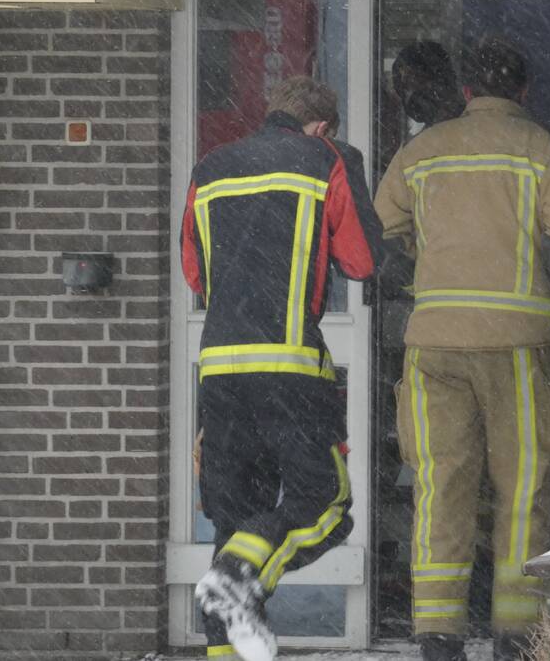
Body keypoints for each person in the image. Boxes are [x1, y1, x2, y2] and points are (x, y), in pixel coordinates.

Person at [373, 36, 550, 661]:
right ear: (523, 91)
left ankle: (437, 636)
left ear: (467, 91)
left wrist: (432, 267)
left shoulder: (421, 152)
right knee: (523, 488)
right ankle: (513, 636)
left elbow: (384, 238)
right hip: (517, 348)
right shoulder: (541, 149)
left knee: (441, 484)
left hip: (433, 347)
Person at [181, 76, 376, 661]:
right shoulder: (324, 159)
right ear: (322, 126)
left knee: (237, 515)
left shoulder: (210, 168)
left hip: (219, 369)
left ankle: (226, 641)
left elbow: (195, 274)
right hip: (289, 366)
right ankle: (240, 573)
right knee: (325, 506)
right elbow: (363, 260)